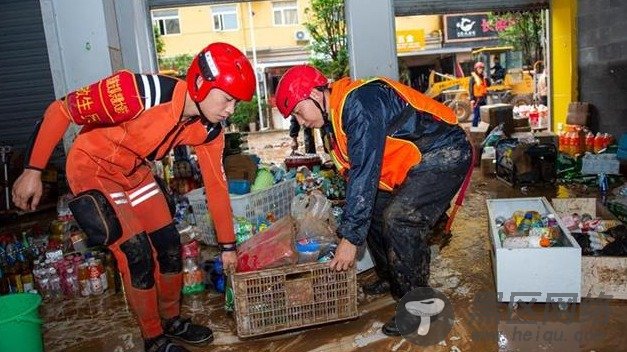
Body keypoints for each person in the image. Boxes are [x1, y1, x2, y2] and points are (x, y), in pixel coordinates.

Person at [12, 42, 255, 352]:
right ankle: (153, 337)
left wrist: (227, 247)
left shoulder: (209, 130)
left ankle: (172, 321)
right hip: (93, 167)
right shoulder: (136, 91)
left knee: (169, 244)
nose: (230, 110)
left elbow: (217, 186)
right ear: (200, 83)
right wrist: (33, 170)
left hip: (133, 171)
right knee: (136, 250)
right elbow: (60, 109)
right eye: (228, 99)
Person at [274, 65, 473, 336]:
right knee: (376, 210)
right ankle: (392, 275)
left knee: (400, 219)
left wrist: (350, 238)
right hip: (417, 160)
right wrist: (353, 222)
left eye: (299, 111)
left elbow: (364, 173)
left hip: (445, 151)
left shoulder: (359, 104)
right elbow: (355, 174)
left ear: (315, 93)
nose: (301, 120)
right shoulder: (333, 121)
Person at [469, 61, 490, 127]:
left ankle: (482, 129)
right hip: (477, 100)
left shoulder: (483, 77)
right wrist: (472, 99)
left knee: (483, 116)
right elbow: (470, 89)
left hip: (483, 99)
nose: (481, 70)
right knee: (476, 116)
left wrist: (486, 78)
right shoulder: (473, 78)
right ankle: (474, 129)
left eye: (482, 69)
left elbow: (488, 85)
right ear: (476, 69)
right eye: (479, 68)